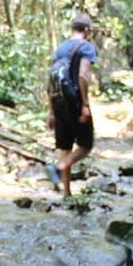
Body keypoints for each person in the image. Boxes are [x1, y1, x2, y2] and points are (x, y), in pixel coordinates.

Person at [46, 13, 98, 196]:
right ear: (87, 30)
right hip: (74, 100)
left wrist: (51, 112)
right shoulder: (86, 47)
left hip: (58, 101)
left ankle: (66, 193)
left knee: (65, 146)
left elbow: (51, 80)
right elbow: (83, 75)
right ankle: (60, 167)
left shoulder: (60, 49)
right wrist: (85, 104)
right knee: (86, 145)